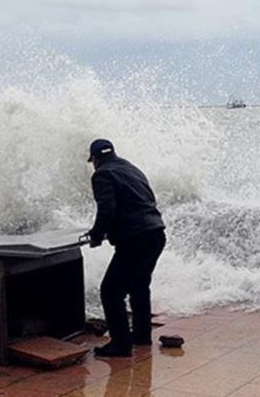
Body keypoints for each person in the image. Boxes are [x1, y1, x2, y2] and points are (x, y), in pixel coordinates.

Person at [84, 139, 166, 357]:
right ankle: (141, 335)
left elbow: (107, 209)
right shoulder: (132, 169)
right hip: (156, 234)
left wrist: (96, 235)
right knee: (139, 286)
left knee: (110, 292)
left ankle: (120, 345)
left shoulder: (102, 174)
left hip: (135, 239)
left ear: (96, 159)